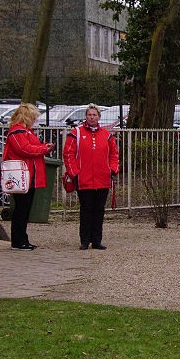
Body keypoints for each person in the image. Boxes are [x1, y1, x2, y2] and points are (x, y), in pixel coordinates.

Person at [63, 104, 120, 250]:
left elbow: (114, 155)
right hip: (84, 179)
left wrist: (113, 169)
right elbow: (68, 154)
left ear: (99, 117)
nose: (92, 117)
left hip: (103, 179)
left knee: (99, 210)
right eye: (89, 115)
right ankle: (84, 240)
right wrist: (74, 173)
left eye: (94, 115)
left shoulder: (107, 135)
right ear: (86, 117)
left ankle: (96, 240)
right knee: (86, 209)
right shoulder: (75, 133)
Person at [3, 103, 55, 250]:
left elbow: (29, 148)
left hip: (28, 175)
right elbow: (24, 149)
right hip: (22, 176)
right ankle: (18, 240)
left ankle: (22, 238)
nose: (34, 120)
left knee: (24, 208)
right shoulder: (17, 132)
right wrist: (43, 148)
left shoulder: (25, 132)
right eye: (33, 117)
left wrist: (43, 147)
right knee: (21, 208)